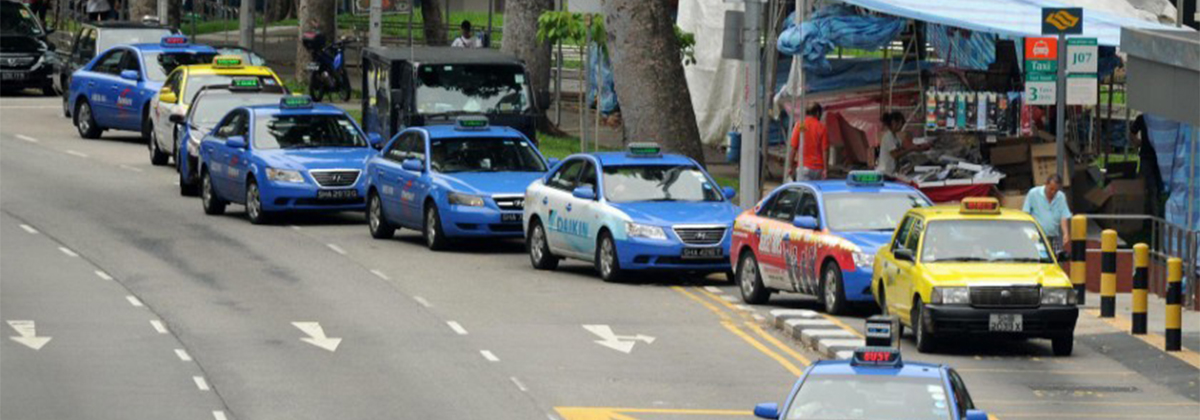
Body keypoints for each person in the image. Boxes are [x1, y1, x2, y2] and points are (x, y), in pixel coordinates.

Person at [1023, 174, 1072, 253]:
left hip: (1053, 236)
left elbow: (1064, 215)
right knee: (1039, 257)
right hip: (1036, 235)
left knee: (1055, 258)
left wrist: (1065, 233)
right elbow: (1026, 213)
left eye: (1055, 191)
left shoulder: (1061, 197)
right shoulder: (1033, 193)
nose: (1053, 192)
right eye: (1051, 189)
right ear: (1046, 184)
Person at [876, 111, 930, 176]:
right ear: (894, 123)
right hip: (885, 171)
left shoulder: (895, 137)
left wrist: (919, 147)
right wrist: (911, 149)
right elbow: (895, 154)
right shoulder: (888, 136)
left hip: (891, 171)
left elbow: (903, 148)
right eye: (901, 124)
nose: (901, 127)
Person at [788, 103, 828, 181]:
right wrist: (825, 169)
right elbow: (825, 150)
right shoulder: (821, 127)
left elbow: (793, 147)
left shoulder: (801, 125)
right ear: (817, 113)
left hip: (804, 167)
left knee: (803, 191)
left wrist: (790, 166)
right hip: (818, 169)